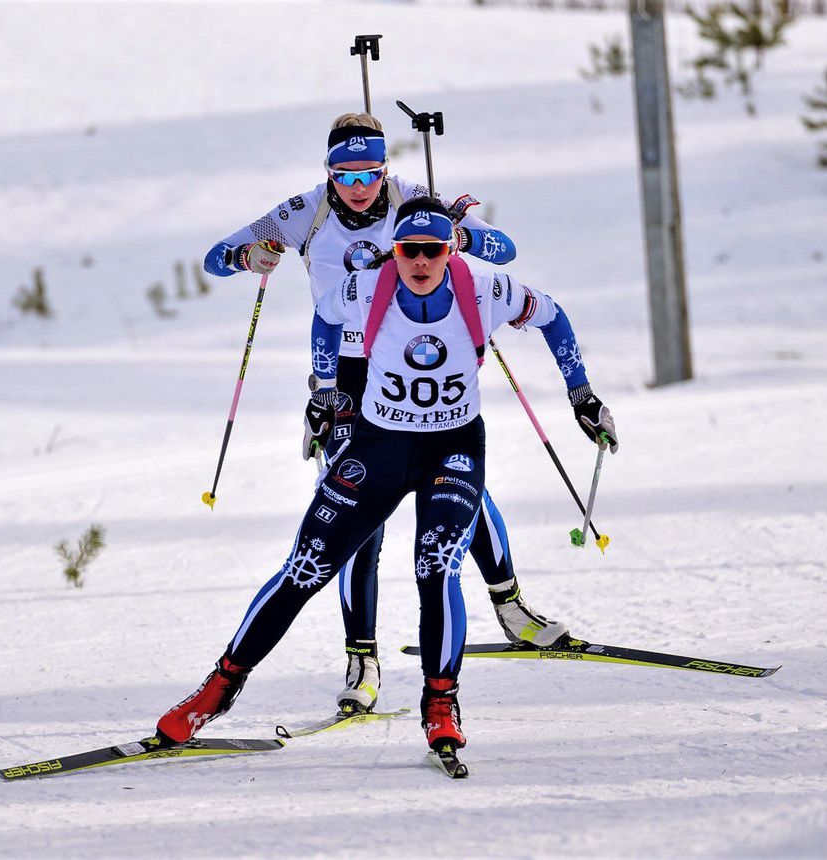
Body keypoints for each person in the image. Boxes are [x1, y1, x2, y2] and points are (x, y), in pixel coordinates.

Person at [159, 197, 618, 755]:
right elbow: (325, 317)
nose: (420, 262)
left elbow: (552, 314)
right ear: (393, 251)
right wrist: (325, 392)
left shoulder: (486, 289)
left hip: (452, 449)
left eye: (432, 251)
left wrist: (581, 394)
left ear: (450, 250)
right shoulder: (364, 288)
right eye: (408, 251)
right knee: (304, 568)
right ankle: (217, 690)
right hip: (379, 446)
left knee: (437, 569)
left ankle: (441, 704)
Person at [203, 114, 565, 715]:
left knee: (461, 494)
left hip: (419, 365)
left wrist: (461, 236)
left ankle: (510, 606)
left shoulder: (416, 206)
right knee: (356, 526)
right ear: (328, 173)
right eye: (344, 175)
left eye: (369, 173)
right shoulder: (303, 212)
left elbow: (505, 248)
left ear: (385, 170)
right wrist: (250, 255)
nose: (358, 187)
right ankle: (361, 657)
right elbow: (214, 259)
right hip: (346, 377)